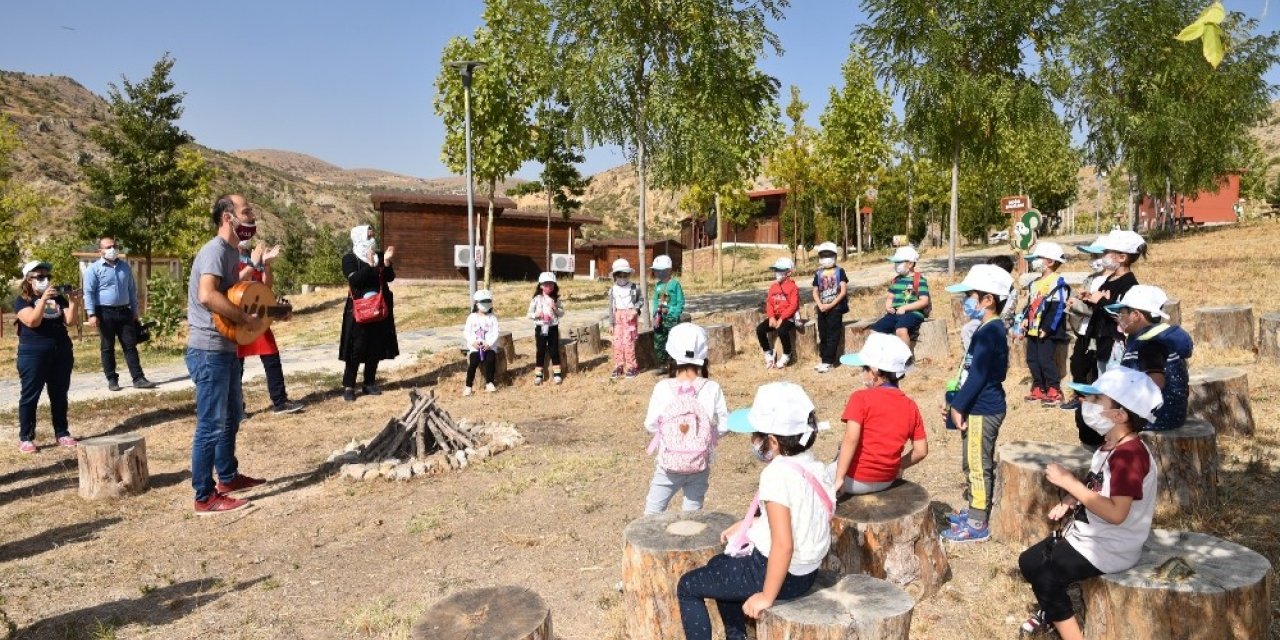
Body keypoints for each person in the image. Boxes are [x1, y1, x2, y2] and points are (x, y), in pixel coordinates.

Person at [677, 382, 835, 640]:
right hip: (806, 571)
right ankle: (735, 636)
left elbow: (783, 546)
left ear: (772, 441)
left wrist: (766, 596)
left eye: (756, 434)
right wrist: (751, 523)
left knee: (688, 586)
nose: (752, 440)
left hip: (779, 573)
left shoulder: (776, 475)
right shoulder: (814, 467)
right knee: (719, 565)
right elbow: (799, 514)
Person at [1017, 367, 1161, 639]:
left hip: (1112, 547)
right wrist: (1072, 500)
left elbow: (1118, 513)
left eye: (1097, 401)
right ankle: (1053, 611)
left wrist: (1069, 483)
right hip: (1091, 536)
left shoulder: (1129, 457)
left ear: (1119, 415)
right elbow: (1099, 485)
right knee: (1029, 561)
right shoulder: (1111, 444)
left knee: (1045, 574)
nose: (1086, 404)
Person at [186, 194, 266, 514]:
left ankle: (228, 478)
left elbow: (232, 289)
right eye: (246, 212)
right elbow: (207, 295)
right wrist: (244, 318)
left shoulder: (232, 252)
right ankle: (204, 496)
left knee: (231, 416)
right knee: (211, 424)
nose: (251, 218)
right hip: (209, 351)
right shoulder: (215, 251)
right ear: (227, 218)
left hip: (226, 349)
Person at [941, 264, 1013, 542]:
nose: (965, 302)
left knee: (977, 464)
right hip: (977, 405)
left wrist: (958, 406)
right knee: (970, 461)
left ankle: (978, 522)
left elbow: (981, 373)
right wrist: (956, 400)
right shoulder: (986, 328)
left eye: (970, 295)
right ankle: (974, 506)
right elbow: (971, 370)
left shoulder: (990, 331)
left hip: (984, 408)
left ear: (988, 300)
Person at [642, 323, 728, 515]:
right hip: (700, 462)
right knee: (692, 514)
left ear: (671, 356)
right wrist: (708, 435)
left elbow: (650, 424)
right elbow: (724, 424)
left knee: (652, 513)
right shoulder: (712, 387)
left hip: (668, 465)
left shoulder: (663, 387)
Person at [833, 333, 928, 494]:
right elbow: (921, 451)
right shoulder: (910, 405)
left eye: (864, 368)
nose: (863, 373)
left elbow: (851, 438)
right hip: (887, 480)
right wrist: (899, 466)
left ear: (875, 371)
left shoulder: (860, 398)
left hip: (854, 480)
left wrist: (839, 477)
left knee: (817, 474)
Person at [1076, 230, 1146, 448]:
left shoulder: (1129, 284)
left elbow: (1124, 316)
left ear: (1122, 257)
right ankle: (1106, 433)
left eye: (1107, 252)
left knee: (1114, 390)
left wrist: (1102, 302)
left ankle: (1119, 433)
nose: (1103, 256)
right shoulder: (1109, 279)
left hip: (1115, 343)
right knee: (1103, 385)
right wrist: (1091, 300)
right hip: (1102, 342)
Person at [14, 260, 80, 453]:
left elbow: (70, 321)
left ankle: (62, 432)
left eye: (47, 276)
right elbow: (32, 321)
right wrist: (42, 300)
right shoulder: (22, 301)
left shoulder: (58, 299)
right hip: (33, 352)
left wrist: (74, 300)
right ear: (28, 280)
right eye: (40, 276)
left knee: (59, 393)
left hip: (61, 350)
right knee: (30, 395)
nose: (45, 280)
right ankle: (26, 437)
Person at [1106, 285, 1193, 432]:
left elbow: (1155, 383)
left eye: (1122, 313)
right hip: (1167, 414)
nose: (1119, 318)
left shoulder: (1151, 344)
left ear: (1135, 315)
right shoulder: (1148, 338)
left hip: (1158, 418)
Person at [236, 240, 303, 415]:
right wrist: (252, 263)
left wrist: (265, 264)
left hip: (258, 318)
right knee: (236, 366)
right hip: (238, 319)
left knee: (271, 358)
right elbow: (238, 285)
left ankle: (280, 401)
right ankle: (236, 408)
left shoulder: (253, 259)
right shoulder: (229, 258)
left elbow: (265, 287)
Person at [82, 236, 156, 391]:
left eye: (114, 246)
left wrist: (135, 311)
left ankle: (138, 378)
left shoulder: (125, 267)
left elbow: (131, 290)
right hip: (104, 312)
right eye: (108, 247)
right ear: (100, 251)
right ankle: (112, 379)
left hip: (124, 311)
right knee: (107, 347)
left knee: (130, 345)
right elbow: (88, 293)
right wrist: (91, 314)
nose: (112, 249)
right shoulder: (93, 269)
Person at [339, 224, 398, 403]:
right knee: (356, 348)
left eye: (372, 235)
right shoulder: (349, 258)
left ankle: (369, 382)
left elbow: (389, 277)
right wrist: (371, 265)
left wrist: (386, 262)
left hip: (379, 307)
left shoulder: (379, 255)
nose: (372, 237)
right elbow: (355, 280)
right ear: (359, 236)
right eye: (368, 235)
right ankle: (349, 386)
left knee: (375, 345)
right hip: (359, 308)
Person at [1017, 242, 1072, 406]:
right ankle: (1038, 387)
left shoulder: (1057, 282)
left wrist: (1048, 328)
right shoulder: (1034, 283)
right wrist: (1025, 318)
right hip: (1032, 329)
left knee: (1045, 359)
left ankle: (1054, 388)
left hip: (1047, 331)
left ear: (1051, 261)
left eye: (1038, 258)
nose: (1035, 261)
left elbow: (1058, 308)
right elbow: (1030, 305)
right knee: (1032, 359)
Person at [1061, 240, 1112, 411]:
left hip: (1098, 331)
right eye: (1092, 256)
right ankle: (1079, 396)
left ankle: (1096, 399)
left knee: (1096, 366)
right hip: (1082, 330)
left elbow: (1095, 308)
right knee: (1077, 363)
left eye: (1097, 256)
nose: (1093, 260)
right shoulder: (1089, 279)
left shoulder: (1112, 282)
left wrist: (1076, 304)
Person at [871, 245, 931, 346]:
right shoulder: (896, 280)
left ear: (910, 264)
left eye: (899, 262)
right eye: (895, 262)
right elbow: (890, 297)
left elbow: (924, 301)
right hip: (894, 314)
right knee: (875, 331)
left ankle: (906, 358)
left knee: (901, 331)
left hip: (913, 314)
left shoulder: (919, 280)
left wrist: (905, 308)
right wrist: (888, 306)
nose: (896, 265)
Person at [811, 242, 849, 373]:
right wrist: (820, 305)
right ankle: (823, 359)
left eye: (829, 255)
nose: (826, 258)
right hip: (822, 308)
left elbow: (843, 291)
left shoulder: (840, 271)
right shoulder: (818, 273)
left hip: (835, 308)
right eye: (823, 255)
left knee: (833, 334)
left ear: (835, 256)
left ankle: (828, 361)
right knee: (823, 334)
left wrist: (831, 305)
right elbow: (815, 291)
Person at [755, 257, 800, 370]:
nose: (777, 273)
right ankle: (768, 353)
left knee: (782, 330)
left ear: (788, 272)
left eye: (780, 270)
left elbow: (793, 306)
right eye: (776, 270)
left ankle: (787, 354)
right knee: (760, 329)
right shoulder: (773, 287)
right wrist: (771, 317)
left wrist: (781, 319)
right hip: (775, 317)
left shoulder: (793, 287)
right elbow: (769, 303)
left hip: (789, 317)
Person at [527, 272, 565, 385]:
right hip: (541, 327)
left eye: (551, 284)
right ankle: (539, 375)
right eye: (546, 284)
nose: (549, 287)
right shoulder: (536, 299)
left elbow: (562, 313)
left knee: (554, 350)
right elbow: (529, 314)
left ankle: (557, 374)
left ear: (554, 286)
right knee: (541, 350)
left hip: (553, 327)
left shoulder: (556, 299)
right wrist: (537, 315)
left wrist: (555, 309)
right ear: (541, 285)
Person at [607, 258, 642, 379]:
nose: (622, 278)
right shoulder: (613, 290)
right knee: (617, 343)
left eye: (625, 275)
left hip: (630, 318)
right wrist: (611, 323)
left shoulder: (634, 287)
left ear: (628, 274)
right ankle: (619, 365)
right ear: (615, 276)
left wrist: (635, 310)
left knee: (629, 343)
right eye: (619, 275)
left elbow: (640, 301)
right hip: (618, 318)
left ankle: (632, 366)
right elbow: (611, 307)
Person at [650, 255, 685, 371]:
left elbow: (680, 302)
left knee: (673, 341)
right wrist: (655, 314)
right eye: (656, 270)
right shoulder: (658, 285)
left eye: (661, 270)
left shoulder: (675, 284)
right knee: (659, 341)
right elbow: (655, 301)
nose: (658, 273)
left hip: (671, 319)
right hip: (660, 319)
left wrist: (670, 311)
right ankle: (663, 364)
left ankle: (675, 365)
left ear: (669, 270)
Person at [463, 289, 499, 395]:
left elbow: (496, 332)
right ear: (477, 304)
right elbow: (466, 332)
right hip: (475, 348)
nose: (486, 304)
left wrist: (489, 344)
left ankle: (489, 382)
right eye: (483, 302)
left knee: (490, 360)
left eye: (488, 301)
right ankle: (468, 386)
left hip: (489, 347)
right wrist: (473, 342)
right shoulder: (471, 317)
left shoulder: (492, 318)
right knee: (473, 362)